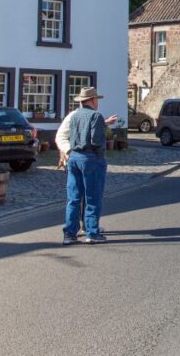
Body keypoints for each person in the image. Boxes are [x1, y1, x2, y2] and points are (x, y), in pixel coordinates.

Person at [62, 87, 118, 245]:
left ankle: (69, 234)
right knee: (93, 197)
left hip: (74, 157)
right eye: (97, 100)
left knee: (73, 198)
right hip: (91, 158)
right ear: (93, 100)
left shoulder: (74, 115)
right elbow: (96, 140)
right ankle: (92, 232)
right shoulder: (96, 116)